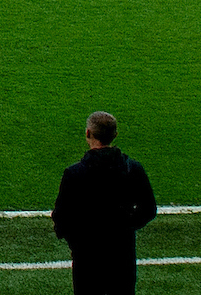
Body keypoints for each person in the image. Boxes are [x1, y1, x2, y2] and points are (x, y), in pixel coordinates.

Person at [51, 110, 157, 294]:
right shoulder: (132, 169)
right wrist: (125, 226)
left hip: (87, 255)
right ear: (115, 135)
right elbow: (148, 209)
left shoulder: (74, 173)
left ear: (88, 134)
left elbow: (61, 217)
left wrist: (76, 242)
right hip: (122, 253)